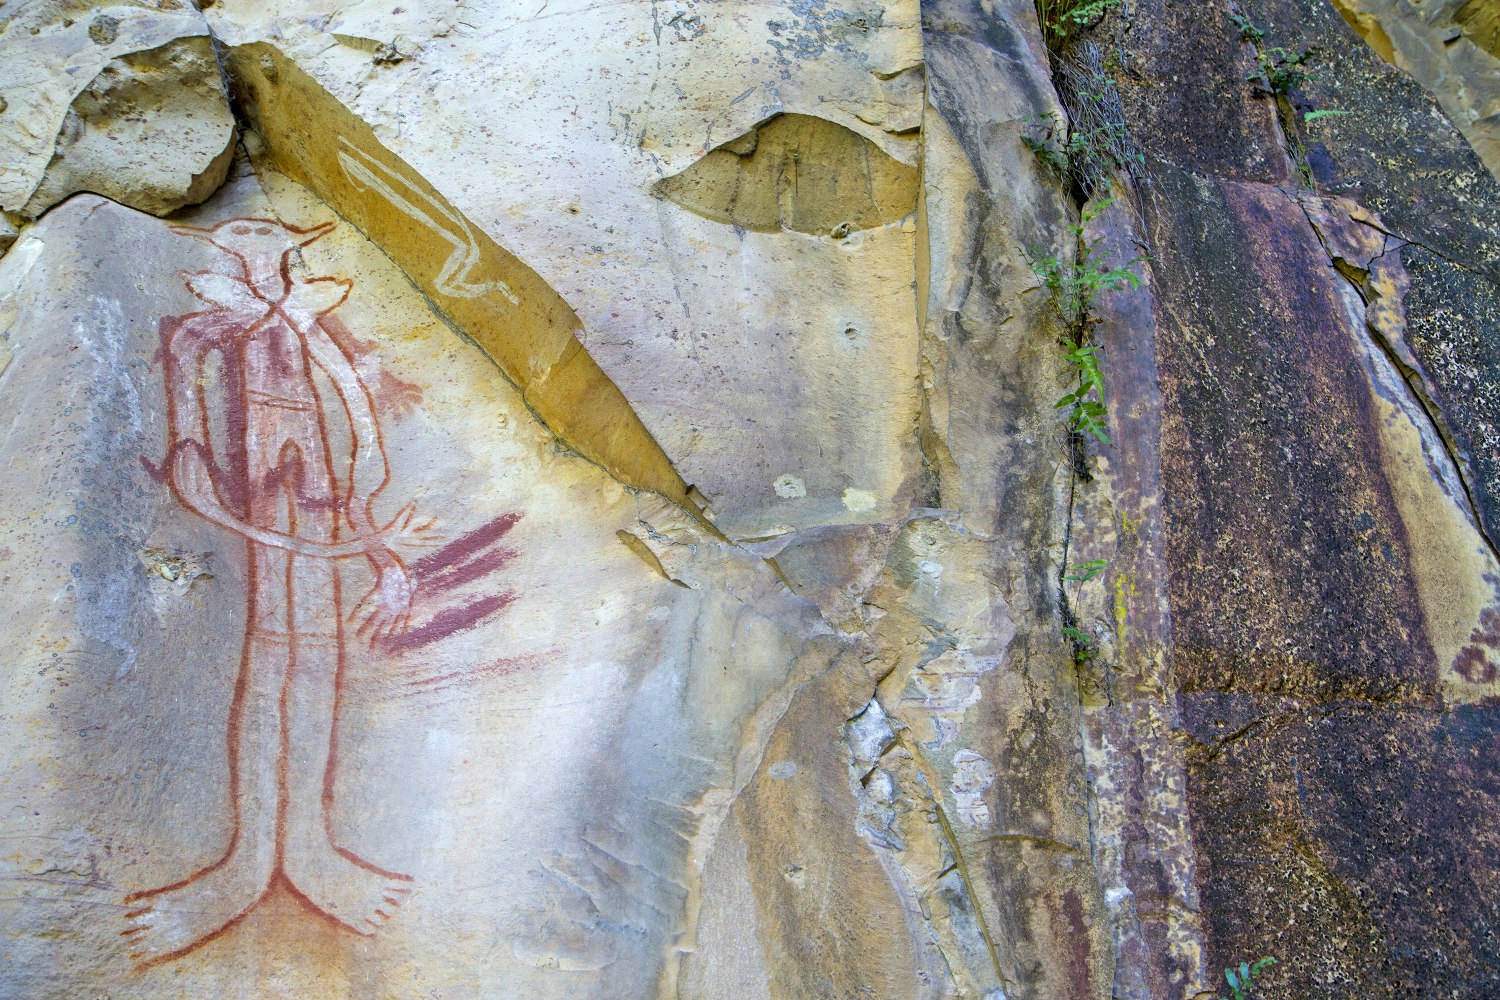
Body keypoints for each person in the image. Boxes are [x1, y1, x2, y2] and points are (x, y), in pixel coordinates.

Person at [123, 217, 438, 967]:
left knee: (316, 665)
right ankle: (246, 864)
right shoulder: (198, 336)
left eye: (280, 250)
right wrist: (295, 539)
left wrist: (381, 555)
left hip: (319, 522)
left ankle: (311, 853)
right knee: (270, 667)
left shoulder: (316, 333)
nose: (271, 262)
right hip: (260, 526)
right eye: (255, 247)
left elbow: (364, 444)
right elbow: (191, 464)